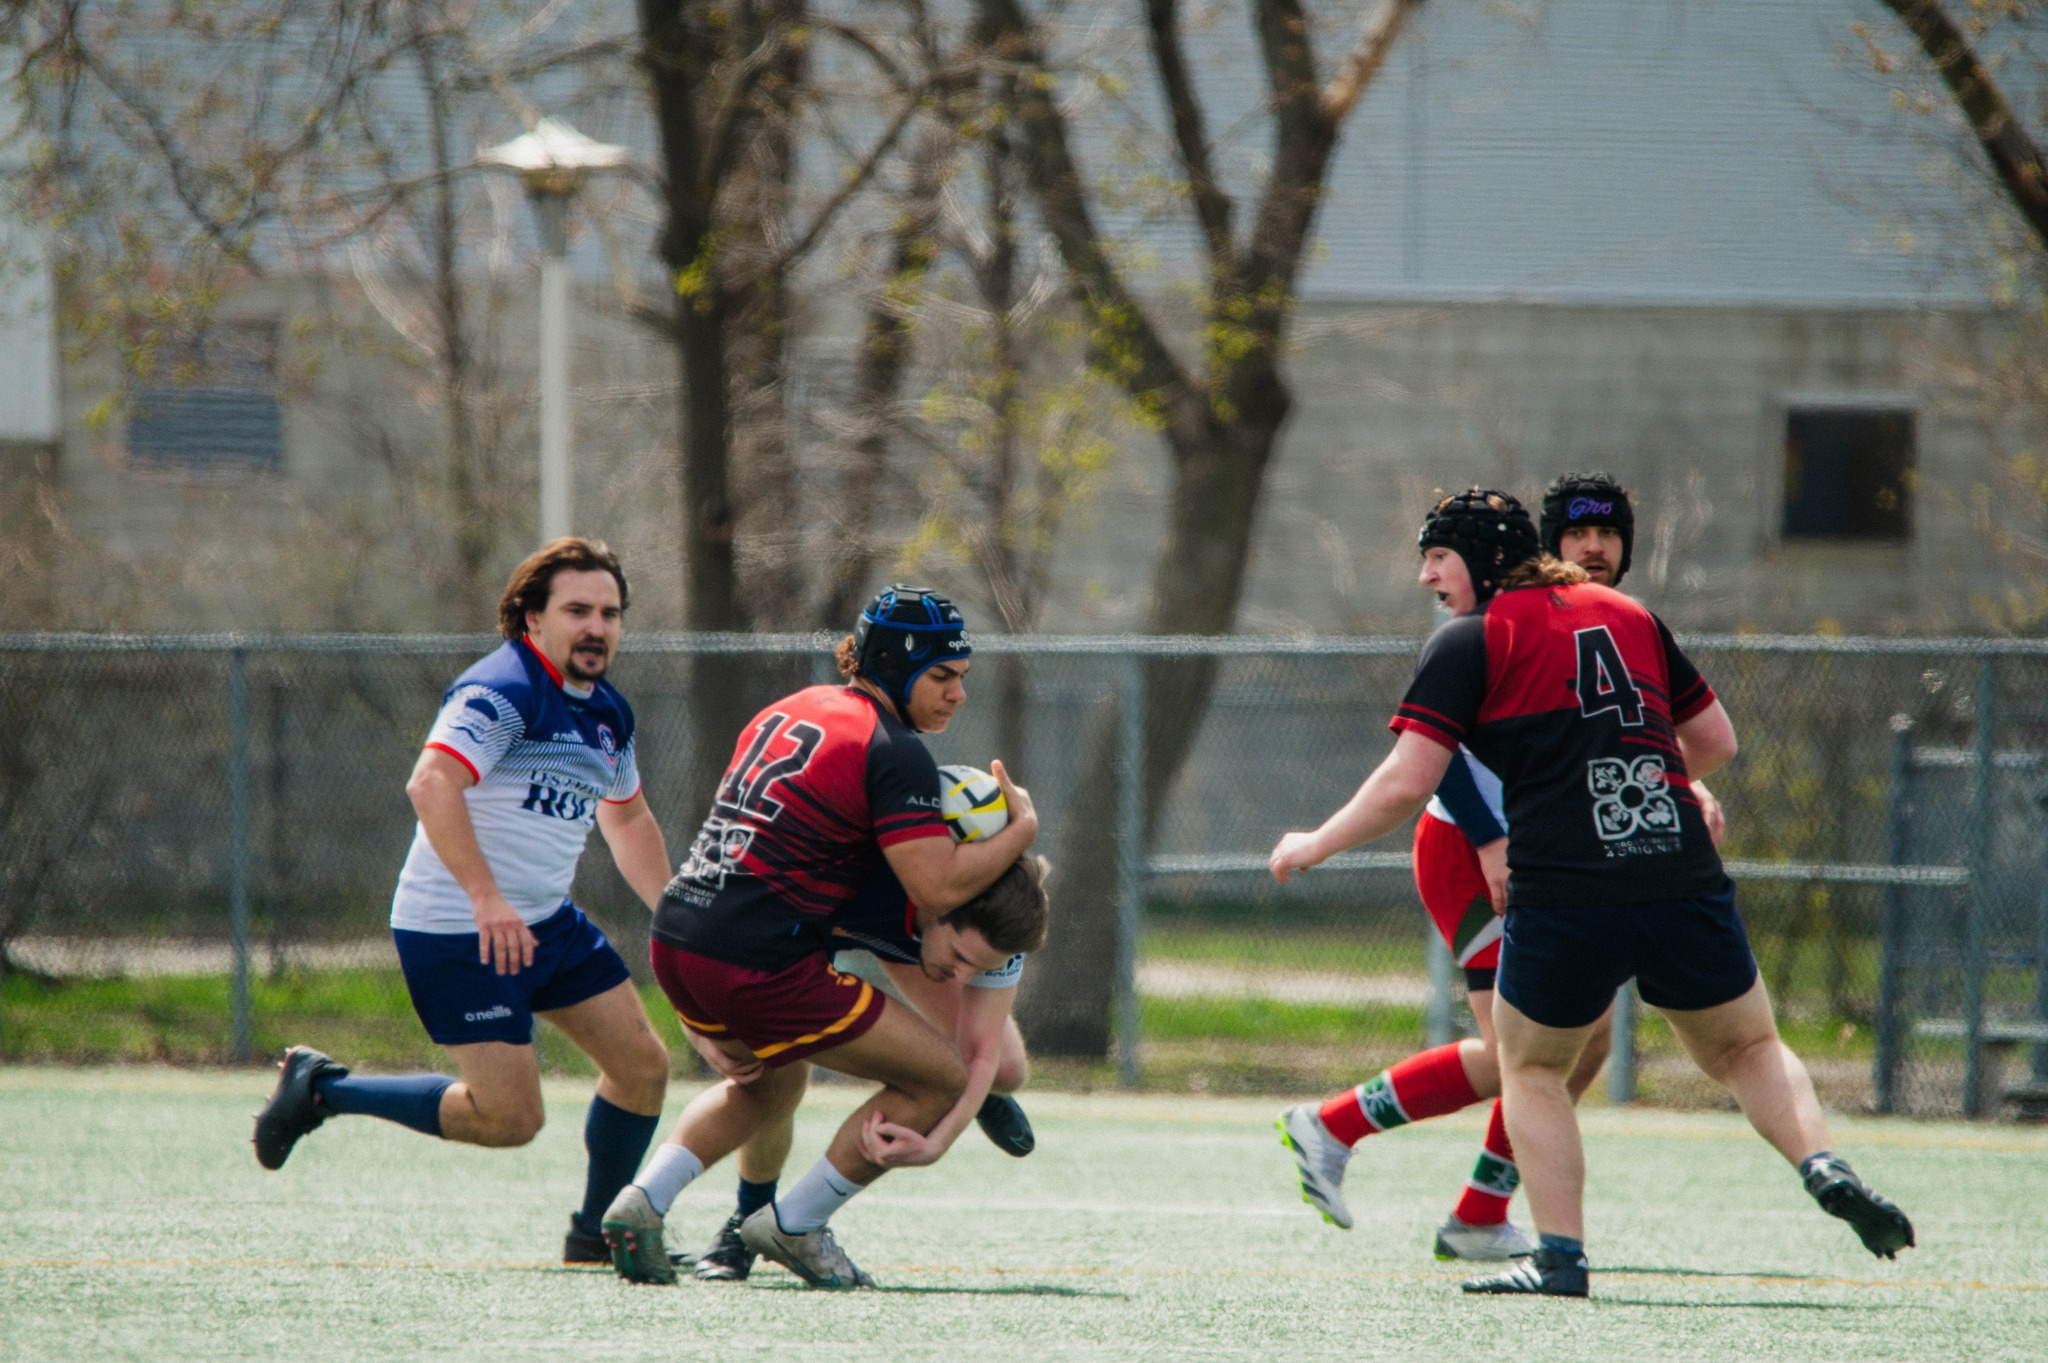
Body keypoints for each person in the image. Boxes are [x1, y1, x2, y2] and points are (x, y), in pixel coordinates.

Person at [1270, 490, 1914, 1298]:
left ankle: (1560, 1255)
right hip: (1677, 866)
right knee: (1747, 1048)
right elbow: (1715, 740)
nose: (1427, 574)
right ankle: (1821, 1162)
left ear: (1483, 557)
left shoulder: (1471, 640)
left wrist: (1315, 841)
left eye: (1438, 555)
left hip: (1565, 885)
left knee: (1533, 1066)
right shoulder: (1628, 612)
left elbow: (1408, 780)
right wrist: (1654, 782)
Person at [600, 585, 1042, 1288]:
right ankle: (795, 1222)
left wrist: (699, 1011)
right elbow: (933, 885)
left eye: (963, 677)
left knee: (771, 1084)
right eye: (943, 676)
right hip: (760, 955)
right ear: (895, 668)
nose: (959, 695)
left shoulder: (789, 707)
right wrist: (1020, 831)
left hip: (681, 932)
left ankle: (642, 1200)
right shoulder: (896, 754)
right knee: (940, 1077)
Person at [251, 538, 675, 1267]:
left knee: (643, 1065)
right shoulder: (503, 689)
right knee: (511, 1119)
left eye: (609, 612)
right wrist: (486, 898)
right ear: (531, 619)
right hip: (458, 929)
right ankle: (324, 1090)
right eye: (577, 609)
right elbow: (431, 783)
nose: (596, 626)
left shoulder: (608, 712)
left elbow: (627, 817)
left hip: (544, 922)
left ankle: (596, 1233)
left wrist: (676, 915)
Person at [1278, 495, 1613, 1264]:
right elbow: (1438, 758)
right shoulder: (1472, 636)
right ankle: (1336, 1127)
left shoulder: (1566, 619)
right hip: (1467, 849)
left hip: (1530, 853)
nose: (1425, 572)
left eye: (1439, 555)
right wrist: (1493, 839)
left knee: (1582, 1040)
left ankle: (1476, 1211)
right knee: (1523, 1052)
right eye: (1581, 534)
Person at [681, 855, 1044, 1282]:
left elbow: (984, 1051)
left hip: (922, 920)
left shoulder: (987, 887)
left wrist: (940, 1140)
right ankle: (747, 1218)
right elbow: (699, 913)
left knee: (1001, 1072)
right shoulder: (820, 838)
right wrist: (699, 1019)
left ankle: (967, 1090)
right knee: (772, 1066)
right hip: (819, 913)